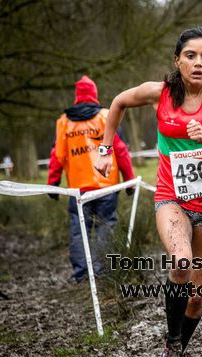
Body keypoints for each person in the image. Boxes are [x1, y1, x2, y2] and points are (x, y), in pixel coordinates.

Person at [93, 27, 202, 357]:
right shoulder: (160, 92)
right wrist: (104, 150)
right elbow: (118, 101)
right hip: (171, 197)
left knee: (197, 296)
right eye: (191, 56)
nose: (198, 63)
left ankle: (179, 349)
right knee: (180, 264)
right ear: (177, 60)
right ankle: (170, 345)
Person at [48, 75, 135, 284]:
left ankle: (81, 274)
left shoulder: (64, 122)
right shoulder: (106, 116)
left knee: (79, 230)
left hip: (78, 189)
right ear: (94, 95)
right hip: (106, 186)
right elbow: (121, 150)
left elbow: (57, 155)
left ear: (77, 97)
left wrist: (53, 183)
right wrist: (129, 179)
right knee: (106, 227)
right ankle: (102, 270)